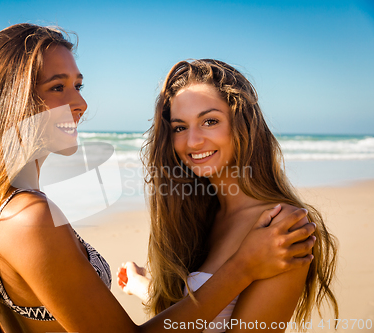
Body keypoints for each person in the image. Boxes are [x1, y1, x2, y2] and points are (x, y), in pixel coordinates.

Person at [0, 25, 317, 333]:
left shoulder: (9, 207)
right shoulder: (27, 217)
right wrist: (242, 268)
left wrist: (152, 288)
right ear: (12, 101)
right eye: (58, 87)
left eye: (77, 84)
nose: (80, 102)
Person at [117, 59, 338, 332]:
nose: (193, 141)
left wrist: (243, 266)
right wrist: (143, 286)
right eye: (179, 127)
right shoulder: (199, 213)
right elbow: (197, 305)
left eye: (210, 121)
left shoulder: (281, 227)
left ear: (243, 124)